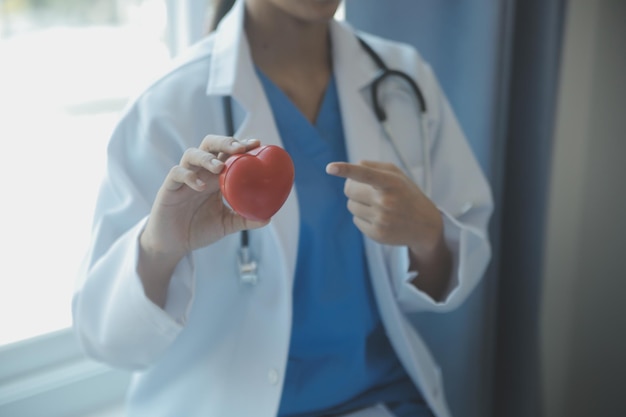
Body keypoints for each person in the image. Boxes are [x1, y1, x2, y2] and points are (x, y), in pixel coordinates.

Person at [72, 0, 493, 416]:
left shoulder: (403, 77)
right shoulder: (166, 106)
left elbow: (458, 265)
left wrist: (428, 234)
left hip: (382, 398)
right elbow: (105, 338)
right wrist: (159, 248)